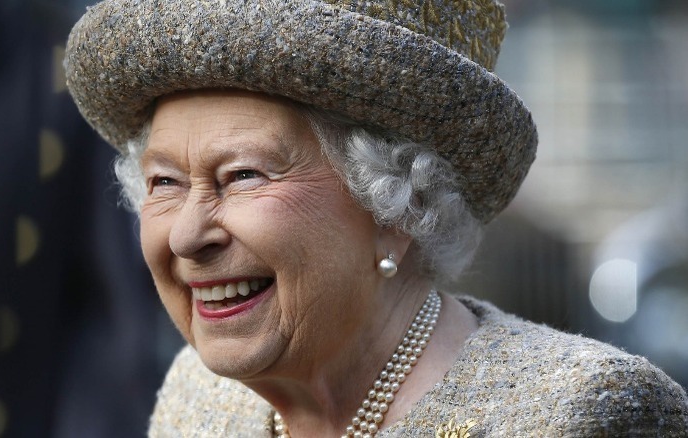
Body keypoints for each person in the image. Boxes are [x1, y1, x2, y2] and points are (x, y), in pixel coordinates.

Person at [64, 0, 688, 436]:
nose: (186, 234)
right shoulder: (198, 402)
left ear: (397, 205)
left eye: (243, 175)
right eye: (165, 183)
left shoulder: (579, 416)